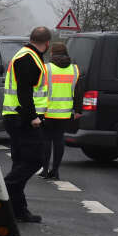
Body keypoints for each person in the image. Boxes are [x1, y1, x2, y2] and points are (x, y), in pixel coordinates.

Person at [2, 26, 51, 223]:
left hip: (16, 117)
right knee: (35, 160)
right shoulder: (28, 59)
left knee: (21, 161)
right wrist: (33, 117)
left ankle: (18, 210)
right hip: (22, 119)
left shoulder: (26, 55)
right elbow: (24, 92)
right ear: (47, 44)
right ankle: (4, 190)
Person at [40, 42, 82, 180]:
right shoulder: (74, 69)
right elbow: (78, 91)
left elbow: (39, 90)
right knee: (59, 140)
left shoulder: (46, 69)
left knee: (46, 140)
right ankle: (55, 171)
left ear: (52, 53)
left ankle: (45, 169)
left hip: (48, 111)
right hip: (65, 112)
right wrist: (78, 110)